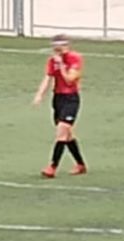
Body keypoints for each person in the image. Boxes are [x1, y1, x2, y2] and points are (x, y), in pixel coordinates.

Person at [32, 35, 86, 178]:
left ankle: (52, 167)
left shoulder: (75, 58)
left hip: (71, 99)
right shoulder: (52, 61)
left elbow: (70, 79)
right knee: (67, 136)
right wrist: (39, 95)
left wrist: (61, 64)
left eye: (58, 47)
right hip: (58, 99)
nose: (56, 50)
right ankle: (81, 165)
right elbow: (48, 78)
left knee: (62, 131)